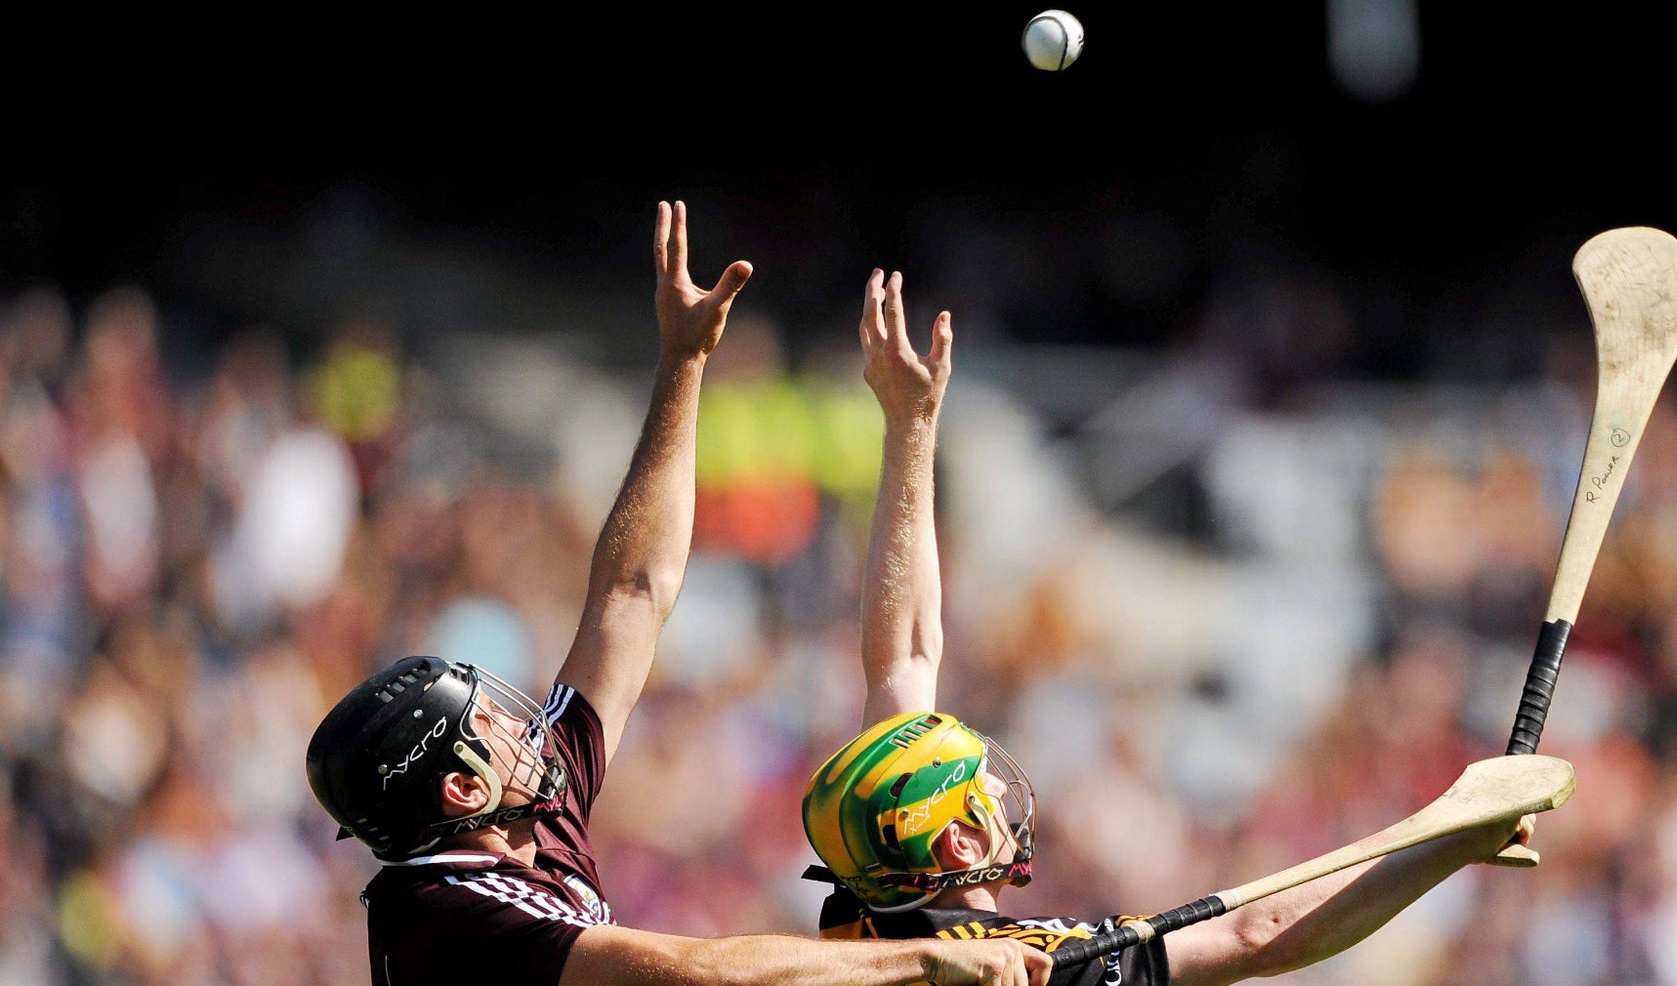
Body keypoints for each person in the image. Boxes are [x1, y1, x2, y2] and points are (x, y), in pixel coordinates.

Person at [306, 203, 1053, 986]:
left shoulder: (525, 812)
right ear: (465, 790)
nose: (524, 725)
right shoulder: (441, 910)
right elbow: (693, 972)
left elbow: (631, 595)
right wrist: (922, 958)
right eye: (492, 725)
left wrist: (683, 361)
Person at [801, 270, 1540, 986]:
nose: (997, 788)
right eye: (977, 790)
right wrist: (1449, 834)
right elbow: (1256, 935)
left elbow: (902, 659)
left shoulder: (859, 931)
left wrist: (910, 425)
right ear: (960, 844)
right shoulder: (1040, 965)